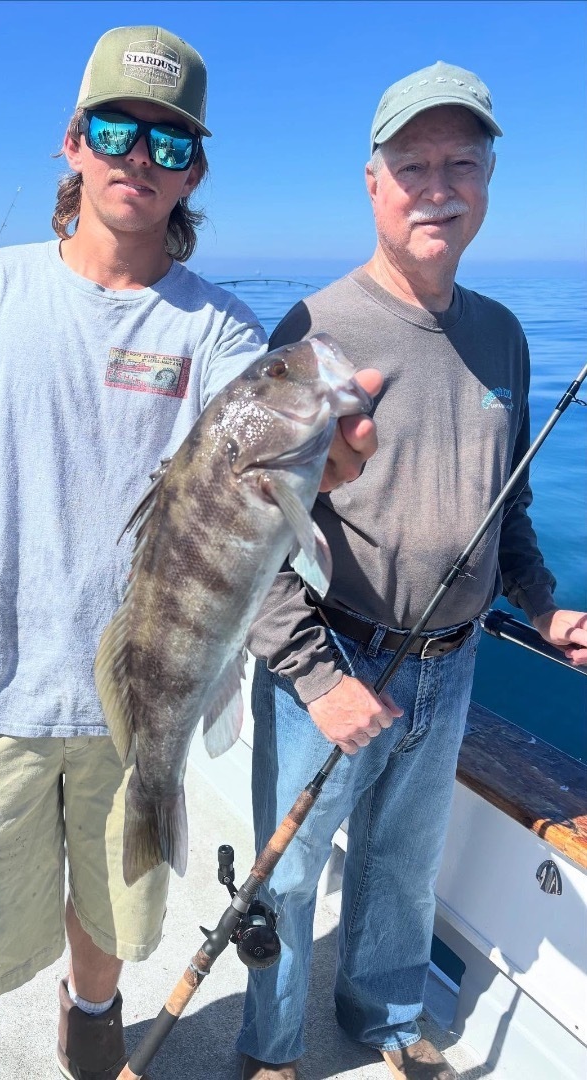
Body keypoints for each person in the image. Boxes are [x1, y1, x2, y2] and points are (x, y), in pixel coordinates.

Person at [0, 25, 380, 1080]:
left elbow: (248, 489)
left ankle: (90, 1022)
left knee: (111, 918)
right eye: (116, 131)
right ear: (73, 143)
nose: (139, 157)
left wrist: (321, 468)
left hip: (142, 696)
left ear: (194, 171)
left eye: (169, 141)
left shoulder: (222, 330)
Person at [237, 61, 587, 1080]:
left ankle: (385, 1019)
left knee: (404, 866)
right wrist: (315, 676)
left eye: (460, 164)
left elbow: (508, 505)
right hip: (332, 658)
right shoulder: (310, 333)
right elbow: (249, 533)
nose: (438, 188)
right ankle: (270, 1050)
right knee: (286, 876)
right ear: (372, 184)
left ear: (489, 180)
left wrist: (544, 606)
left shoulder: (505, 335)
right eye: (413, 166)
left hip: (454, 661)